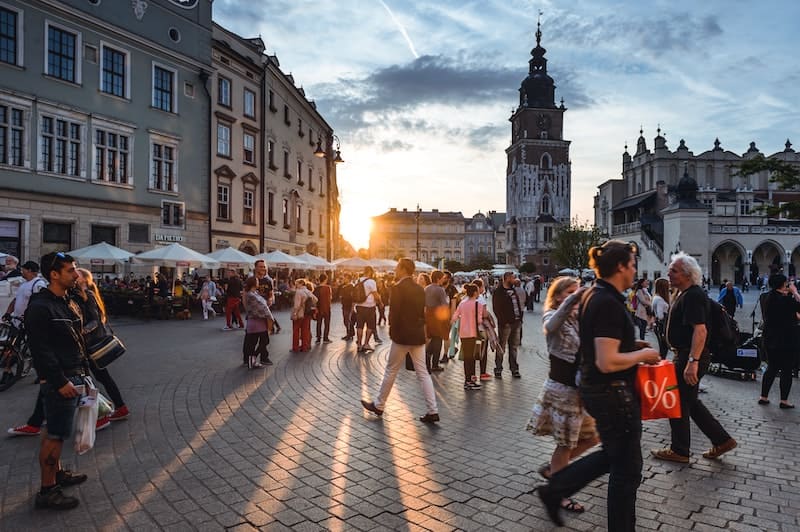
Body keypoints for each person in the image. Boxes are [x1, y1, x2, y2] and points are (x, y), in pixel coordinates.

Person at [537, 240, 661, 530]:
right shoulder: (607, 302)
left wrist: (630, 344)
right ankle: (556, 489)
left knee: (616, 458)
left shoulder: (596, 294)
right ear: (620, 267)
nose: (635, 271)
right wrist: (643, 354)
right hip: (613, 394)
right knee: (627, 470)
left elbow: (597, 345)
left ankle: (556, 488)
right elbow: (606, 361)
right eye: (632, 265)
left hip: (601, 391)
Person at [651, 252, 737, 464]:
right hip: (685, 355)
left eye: (674, 270)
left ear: (688, 275)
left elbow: (700, 331)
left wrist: (693, 362)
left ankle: (680, 450)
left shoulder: (693, 295)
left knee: (678, 402)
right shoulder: (684, 293)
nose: (668, 273)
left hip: (689, 356)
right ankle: (722, 440)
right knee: (689, 402)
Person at [528, 276, 599, 514]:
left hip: (580, 390)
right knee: (565, 444)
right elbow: (551, 325)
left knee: (593, 436)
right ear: (558, 296)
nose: (575, 296)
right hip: (562, 390)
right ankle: (559, 492)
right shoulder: (552, 315)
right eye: (569, 292)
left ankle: (553, 469)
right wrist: (575, 298)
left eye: (576, 291)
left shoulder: (579, 319)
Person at [25, 252, 88, 510]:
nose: (76, 274)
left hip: (71, 372)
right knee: (55, 435)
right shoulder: (41, 306)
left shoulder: (65, 301)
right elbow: (40, 351)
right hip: (59, 378)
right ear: (54, 274)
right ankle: (48, 490)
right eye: (71, 270)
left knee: (55, 430)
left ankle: (58, 473)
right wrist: (60, 380)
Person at [360, 258, 439, 423]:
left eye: (397, 267)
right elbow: (422, 312)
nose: (395, 270)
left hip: (402, 335)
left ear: (403, 269)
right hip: (417, 335)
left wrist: (391, 330)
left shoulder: (397, 288)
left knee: (391, 370)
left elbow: (394, 313)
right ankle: (433, 410)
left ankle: (379, 405)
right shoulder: (419, 289)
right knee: (423, 373)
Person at [758, 273, 800, 408]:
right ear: (783, 284)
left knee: (772, 367)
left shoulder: (765, 297)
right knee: (787, 369)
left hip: (770, 338)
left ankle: (763, 396)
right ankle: (784, 400)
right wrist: (795, 292)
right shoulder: (787, 300)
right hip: (786, 339)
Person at [451, 283, 486, 389]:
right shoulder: (478, 305)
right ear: (475, 292)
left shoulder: (462, 303)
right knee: (472, 357)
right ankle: (470, 380)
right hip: (473, 333)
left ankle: (468, 380)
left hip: (463, 333)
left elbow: (455, 317)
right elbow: (479, 320)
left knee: (467, 357)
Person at [492, 271, 525, 378]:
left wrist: (520, 318)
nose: (514, 279)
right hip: (505, 324)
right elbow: (497, 309)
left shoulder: (513, 290)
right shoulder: (499, 292)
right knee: (501, 347)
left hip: (516, 322)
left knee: (513, 347)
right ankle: (498, 369)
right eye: (512, 278)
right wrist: (503, 321)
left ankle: (514, 369)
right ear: (506, 279)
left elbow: (517, 305)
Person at [242, 276, 273, 368]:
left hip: (258, 322)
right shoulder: (251, 295)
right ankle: (252, 359)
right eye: (257, 281)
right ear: (254, 283)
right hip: (256, 322)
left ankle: (252, 359)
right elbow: (262, 308)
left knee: (261, 341)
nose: (258, 282)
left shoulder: (254, 293)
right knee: (256, 342)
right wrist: (270, 318)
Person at [424, 270, 449, 373]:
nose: (443, 280)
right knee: (438, 340)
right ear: (438, 279)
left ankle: (427, 361)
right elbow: (444, 305)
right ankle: (434, 364)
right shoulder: (440, 290)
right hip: (437, 316)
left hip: (427, 315)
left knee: (431, 338)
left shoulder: (426, 288)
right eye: (442, 278)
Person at [355, 266, 380, 354]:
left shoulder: (358, 280)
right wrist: (380, 302)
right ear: (370, 272)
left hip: (359, 306)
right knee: (370, 326)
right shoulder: (371, 281)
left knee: (359, 326)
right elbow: (376, 295)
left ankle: (359, 345)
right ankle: (366, 344)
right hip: (370, 306)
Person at [291, 279, 317, 352]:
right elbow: (316, 299)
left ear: (301, 283)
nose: (296, 285)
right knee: (305, 331)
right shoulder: (308, 291)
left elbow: (297, 305)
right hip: (307, 313)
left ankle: (295, 347)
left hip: (300, 313)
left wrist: (295, 313)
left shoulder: (299, 292)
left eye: (297, 284)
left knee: (296, 330)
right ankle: (304, 347)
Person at [651, 278, 671, 359]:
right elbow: (660, 315)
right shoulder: (659, 299)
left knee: (663, 349)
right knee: (663, 349)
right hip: (661, 326)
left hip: (658, 326)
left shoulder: (656, 297)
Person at [314, 274, 332, 343]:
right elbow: (330, 298)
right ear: (325, 279)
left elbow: (314, 299)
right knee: (327, 324)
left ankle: (318, 338)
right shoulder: (328, 288)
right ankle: (325, 338)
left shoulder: (317, 288)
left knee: (319, 323)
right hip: (327, 308)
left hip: (319, 308)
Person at [339, 276, 356, 340]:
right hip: (345, 305)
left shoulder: (351, 287)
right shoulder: (344, 287)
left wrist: (352, 306)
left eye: (345, 278)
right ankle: (350, 333)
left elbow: (353, 297)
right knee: (346, 320)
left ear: (348, 279)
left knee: (348, 320)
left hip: (348, 306)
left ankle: (349, 334)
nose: (344, 279)